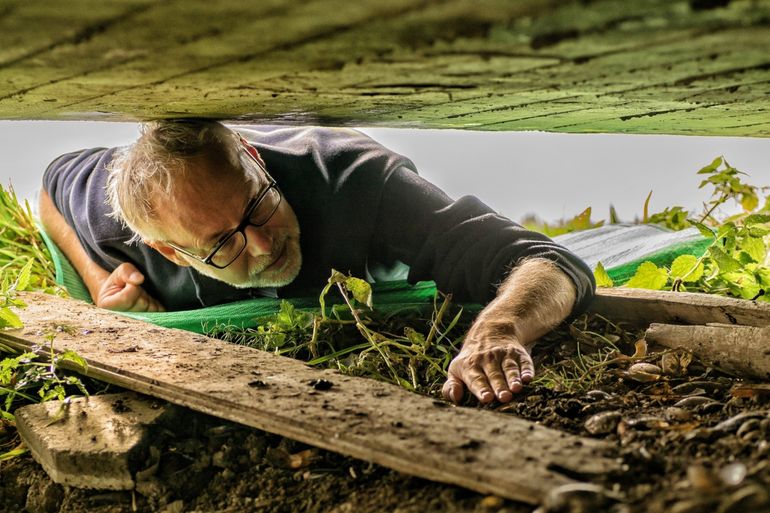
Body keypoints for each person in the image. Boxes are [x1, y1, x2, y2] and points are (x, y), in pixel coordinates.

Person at [40, 120, 595, 405]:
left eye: (258, 205)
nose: (262, 245)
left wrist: (498, 328)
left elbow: (544, 258)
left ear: (255, 162)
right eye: (221, 244)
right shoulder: (114, 211)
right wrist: (95, 282)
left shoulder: (357, 184)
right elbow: (50, 182)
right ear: (167, 250)